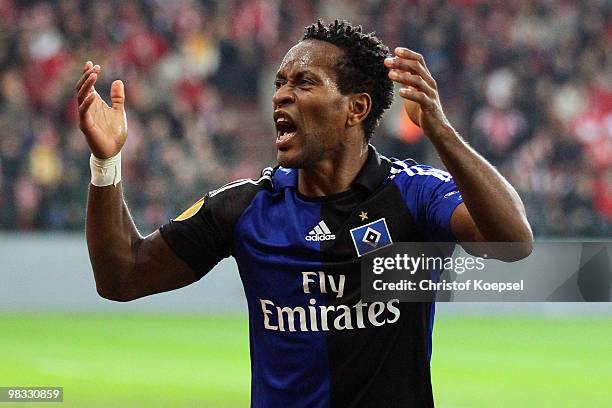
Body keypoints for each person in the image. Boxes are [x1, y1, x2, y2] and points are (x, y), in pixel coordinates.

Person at [76, 20, 532, 408]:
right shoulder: (244, 207)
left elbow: (514, 242)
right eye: (279, 83)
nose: (281, 97)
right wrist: (105, 163)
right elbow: (122, 277)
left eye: (303, 82)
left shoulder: (413, 194)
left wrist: (441, 131)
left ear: (356, 107)